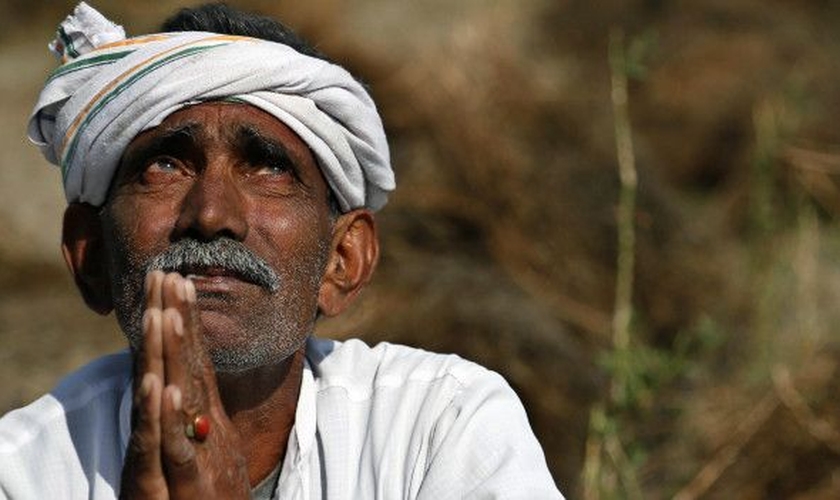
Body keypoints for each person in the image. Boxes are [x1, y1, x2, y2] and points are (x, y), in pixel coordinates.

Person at [0, 3, 563, 498]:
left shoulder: (440, 430)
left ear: (343, 262)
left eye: (269, 167)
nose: (212, 215)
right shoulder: (24, 472)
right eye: (164, 165)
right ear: (92, 254)